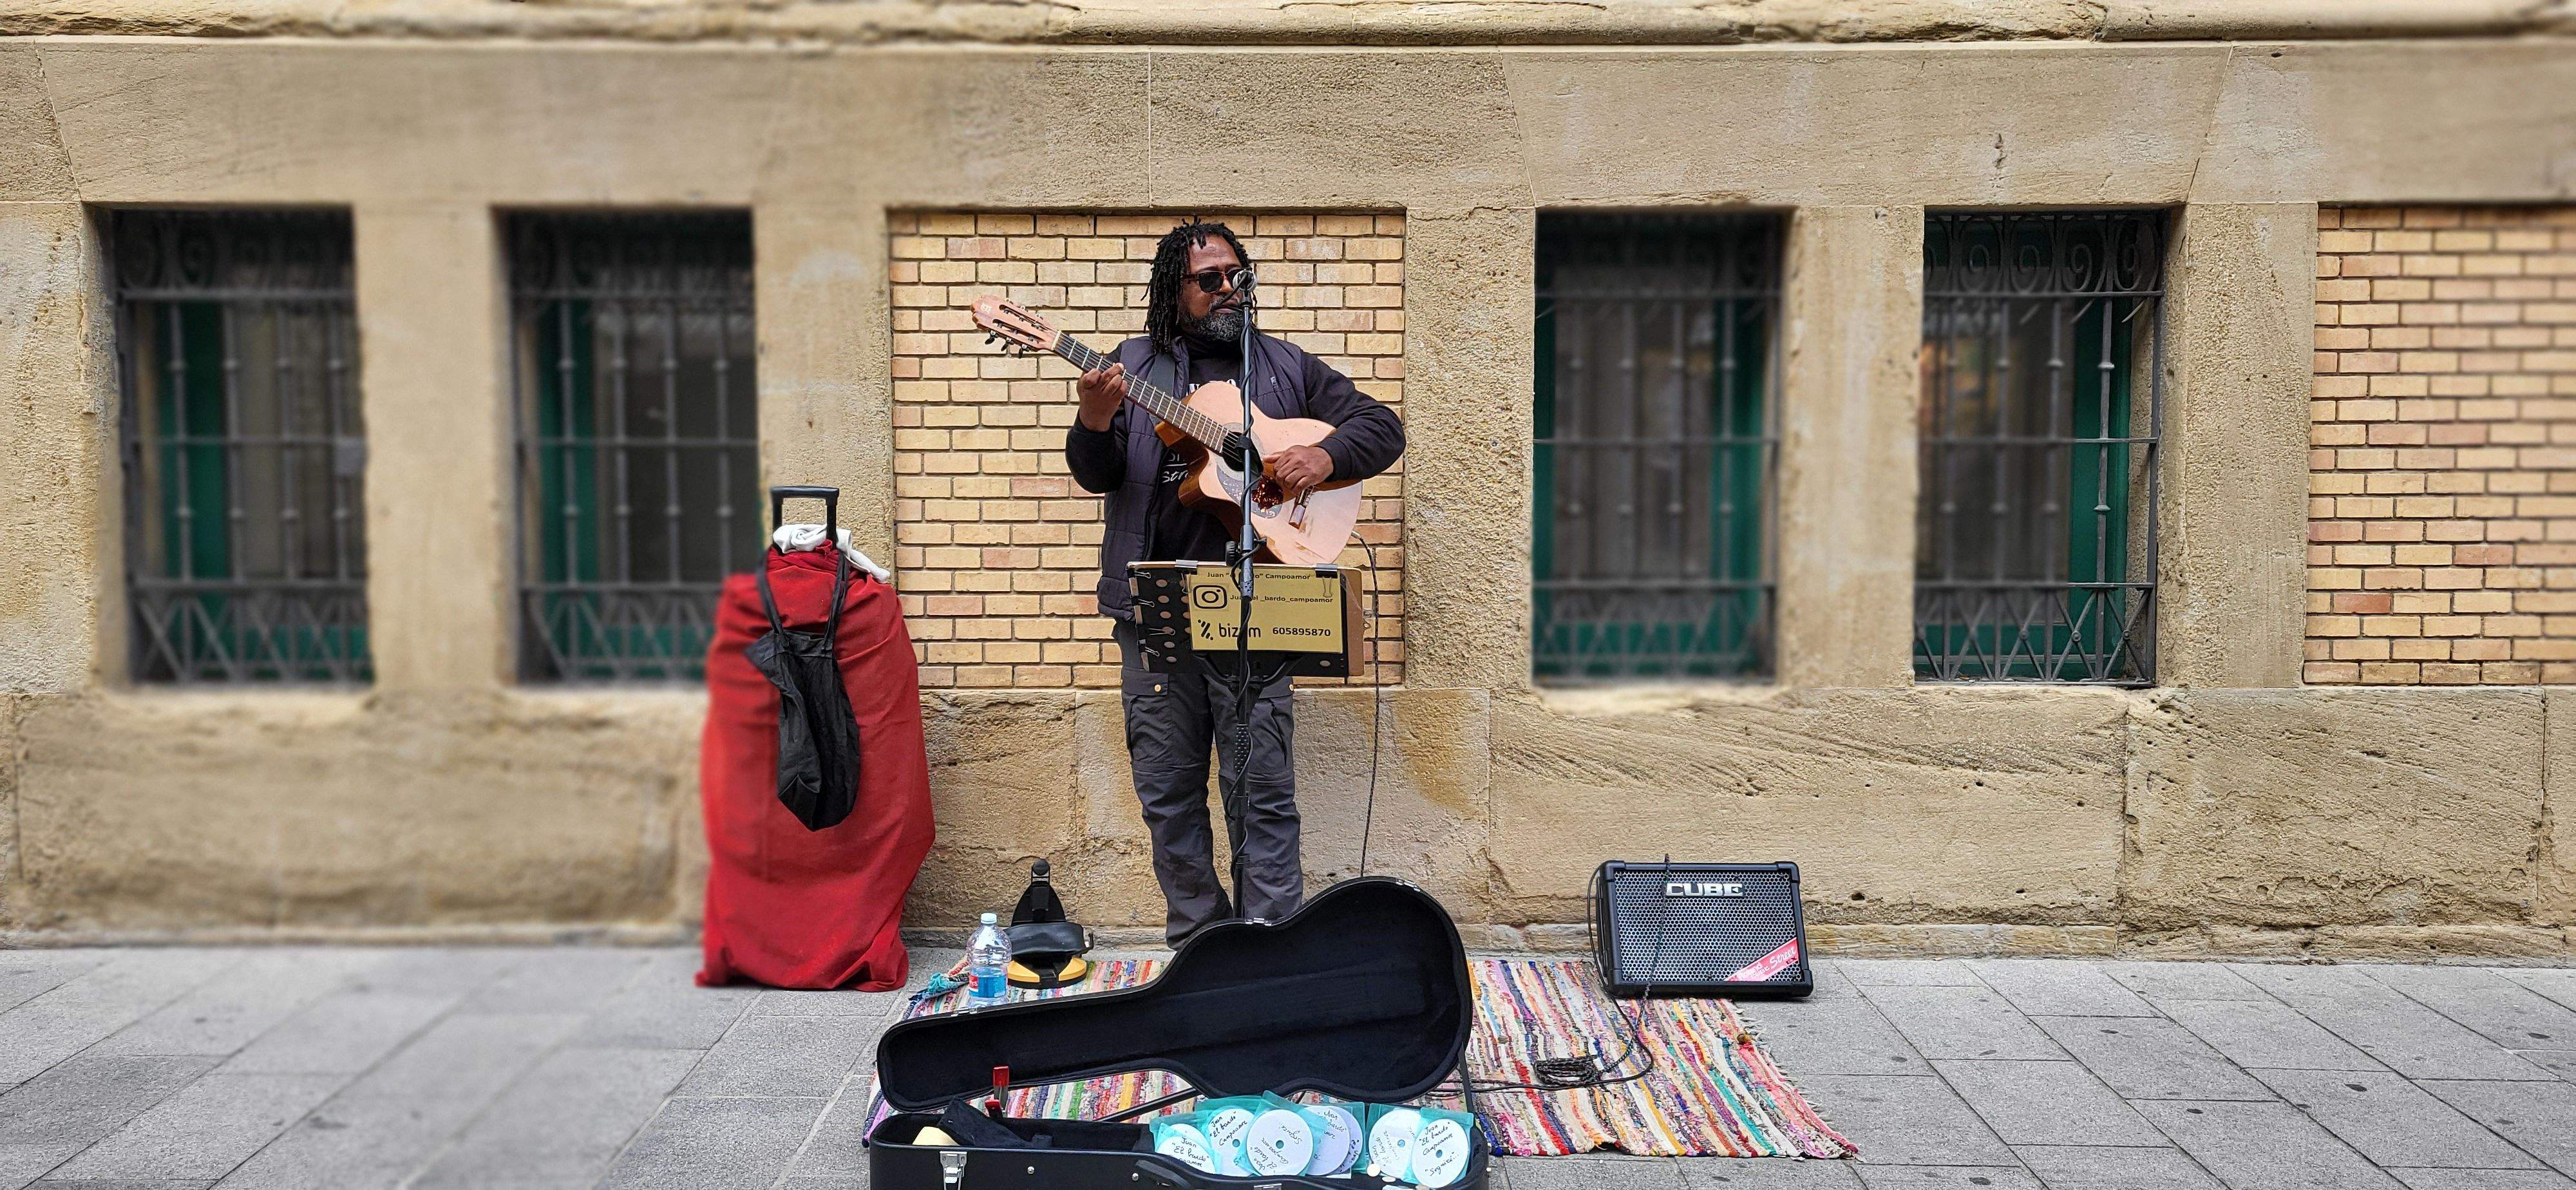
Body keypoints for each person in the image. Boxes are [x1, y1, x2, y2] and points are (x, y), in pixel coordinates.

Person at [1064, 220, 1405, 947]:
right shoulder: (1130, 367)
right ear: (1173, 290)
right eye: (1207, 279)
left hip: (1261, 605)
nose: (1226, 290)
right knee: (1167, 787)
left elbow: (1381, 426)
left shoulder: (1281, 367)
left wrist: (1325, 456)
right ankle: (1197, 944)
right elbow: (1096, 475)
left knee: (1263, 790)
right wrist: (1094, 419)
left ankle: (1269, 944)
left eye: (1235, 276)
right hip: (1155, 607)